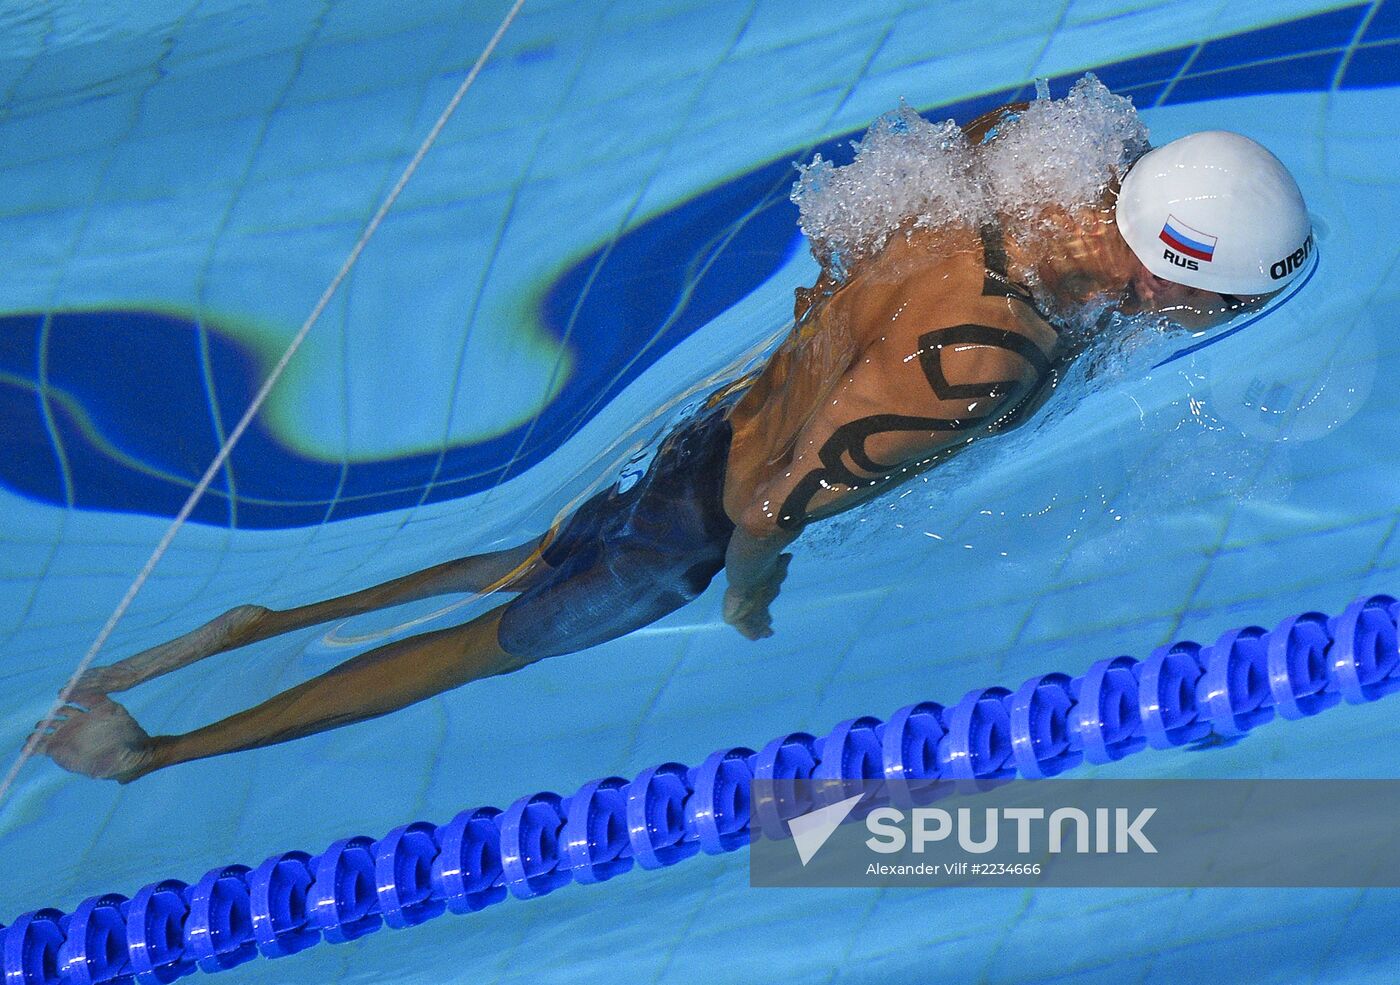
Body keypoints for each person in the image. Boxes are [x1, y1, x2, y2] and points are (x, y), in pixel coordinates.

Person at [33, 103, 1313, 783]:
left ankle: (247, 622)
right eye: (1216, 304)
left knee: (519, 556)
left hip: (726, 410)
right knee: (484, 651)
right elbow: (766, 505)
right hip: (706, 516)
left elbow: (852, 229)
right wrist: (753, 599)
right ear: (1166, 280)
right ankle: (154, 755)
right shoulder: (980, 363)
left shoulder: (1034, 165)